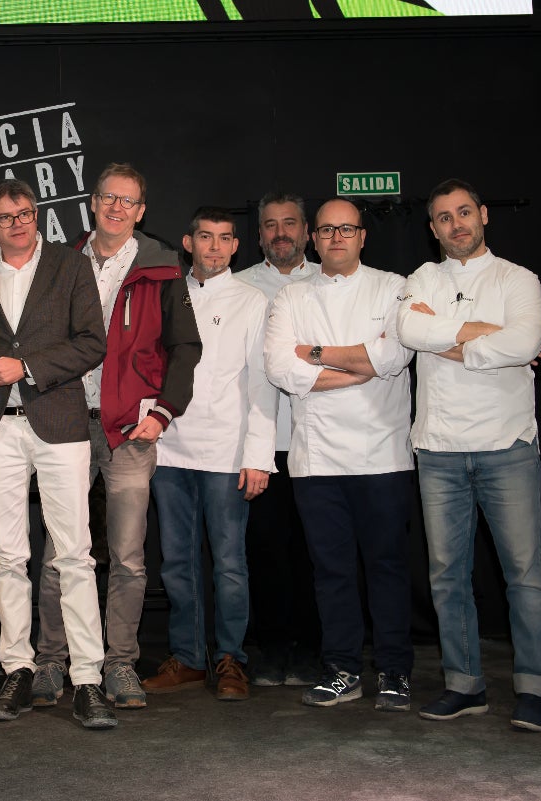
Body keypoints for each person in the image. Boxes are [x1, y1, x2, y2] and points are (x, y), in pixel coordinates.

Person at [32, 164, 202, 710]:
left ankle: (120, 663)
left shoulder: (162, 265)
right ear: (92, 201)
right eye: (108, 198)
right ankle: (50, 660)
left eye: (127, 201)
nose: (116, 208)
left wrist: (164, 413)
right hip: (65, 424)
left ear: (141, 209)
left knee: (128, 556)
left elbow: (185, 348)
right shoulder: (59, 261)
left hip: (131, 429)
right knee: (62, 550)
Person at [397, 178, 541, 732]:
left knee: (524, 575)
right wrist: (490, 336)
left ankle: (534, 687)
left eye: (464, 213)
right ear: (433, 226)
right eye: (443, 217)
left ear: (484, 215)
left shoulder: (518, 279)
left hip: (507, 446)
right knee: (446, 576)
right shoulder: (422, 278)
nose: (455, 224)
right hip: (439, 449)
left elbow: (524, 343)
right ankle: (465, 685)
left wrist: (448, 338)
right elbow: (407, 328)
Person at [0, 178, 113, 729]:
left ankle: (88, 679)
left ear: (37, 214)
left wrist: (26, 368)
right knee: (8, 557)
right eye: (6, 217)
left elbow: (93, 342)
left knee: (73, 553)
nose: (18, 223)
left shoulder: (70, 267)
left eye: (25, 213)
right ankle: (17, 670)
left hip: (59, 423)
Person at [264, 198, 416, 712]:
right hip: (317, 461)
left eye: (345, 229)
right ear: (313, 238)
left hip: (384, 456)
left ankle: (394, 671)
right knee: (330, 571)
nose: (335, 238)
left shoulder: (394, 287)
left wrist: (316, 353)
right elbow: (280, 369)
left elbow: (395, 355)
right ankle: (343, 670)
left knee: (388, 566)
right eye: (326, 230)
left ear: (362, 236)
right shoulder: (290, 296)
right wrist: (360, 362)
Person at [142, 207, 275, 702]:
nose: (215, 247)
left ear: (237, 246)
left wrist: (259, 454)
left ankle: (231, 659)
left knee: (230, 563)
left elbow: (263, 383)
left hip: (226, 450)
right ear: (188, 242)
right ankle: (190, 658)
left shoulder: (251, 300)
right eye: (205, 237)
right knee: (177, 562)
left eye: (224, 239)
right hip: (170, 448)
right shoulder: (164, 295)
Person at [235, 193, 322, 687]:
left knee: (314, 552)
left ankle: (312, 649)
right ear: (260, 234)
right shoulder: (243, 286)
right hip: (261, 445)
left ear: (307, 231)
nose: (280, 233)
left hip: (321, 442)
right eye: (271, 225)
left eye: (290, 224)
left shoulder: (326, 281)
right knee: (264, 551)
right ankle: (270, 648)